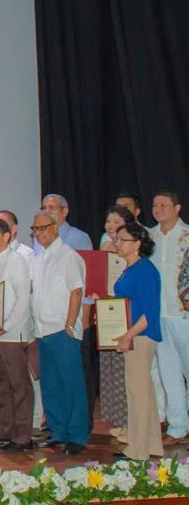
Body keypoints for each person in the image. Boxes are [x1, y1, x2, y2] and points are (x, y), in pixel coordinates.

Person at [31, 210, 89, 455]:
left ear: (56, 226)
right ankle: (57, 432)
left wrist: (70, 324)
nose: (40, 233)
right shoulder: (38, 258)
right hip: (43, 330)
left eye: (44, 228)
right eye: (36, 229)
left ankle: (76, 435)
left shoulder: (68, 256)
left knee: (71, 385)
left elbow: (76, 291)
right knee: (51, 386)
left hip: (62, 331)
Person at [104, 222, 163, 462]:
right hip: (133, 335)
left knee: (137, 394)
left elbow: (149, 313)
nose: (117, 243)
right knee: (144, 392)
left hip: (140, 337)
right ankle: (151, 444)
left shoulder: (146, 270)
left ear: (137, 244)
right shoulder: (130, 268)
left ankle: (137, 450)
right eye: (117, 239)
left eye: (122, 239)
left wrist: (128, 335)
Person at [0, 218, 34, 452]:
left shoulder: (17, 261)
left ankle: (23, 436)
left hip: (13, 333)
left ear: (6, 236)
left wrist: (6, 325)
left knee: (18, 384)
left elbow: (23, 300)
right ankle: (5, 429)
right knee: (0, 383)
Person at [151, 191, 189, 444]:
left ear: (177, 208)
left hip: (183, 314)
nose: (158, 209)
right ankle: (177, 427)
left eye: (164, 205)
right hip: (158, 314)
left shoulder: (187, 236)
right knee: (168, 372)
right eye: (155, 205)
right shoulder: (150, 237)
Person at [98, 205, 138, 436]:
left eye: (116, 222)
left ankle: (130, 423)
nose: (111, 227)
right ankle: (118, 420)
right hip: (108, 311)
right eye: (108, 222)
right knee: (111, 369)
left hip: (127, 312)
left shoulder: (132, 250)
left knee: (127, 371)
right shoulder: (105, 246)